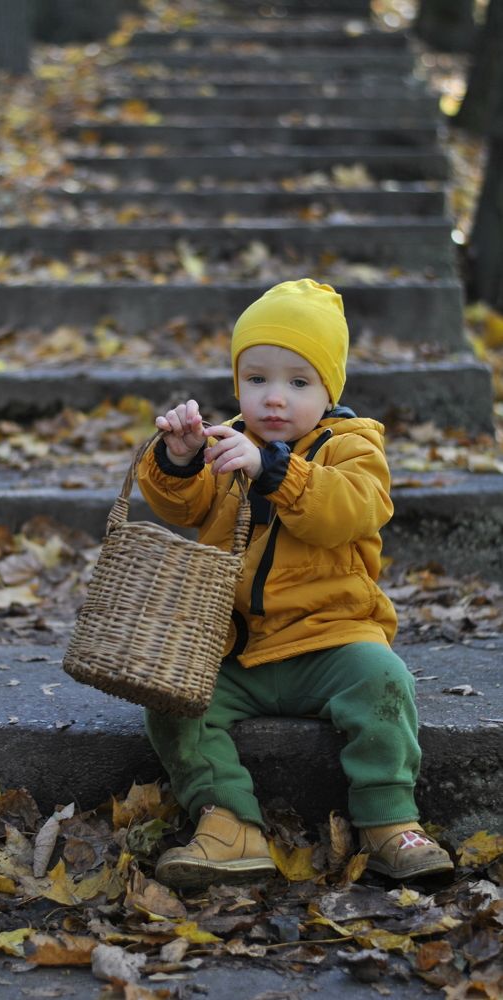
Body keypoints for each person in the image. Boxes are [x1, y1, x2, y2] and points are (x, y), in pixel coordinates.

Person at [137, 278, 454, 891]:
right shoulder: (228, 442)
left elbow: (352, 509)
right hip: (239, 649)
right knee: (171, 702)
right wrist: (177, 459)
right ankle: (228, 820)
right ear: (237, 384)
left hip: (331, 640)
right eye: (256, 380)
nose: (274, 399)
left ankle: (390, 819)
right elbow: (184, 506)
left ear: (330, 388)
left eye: (298, 382)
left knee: (385, 682)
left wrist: (277, 470)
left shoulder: (352, 445)